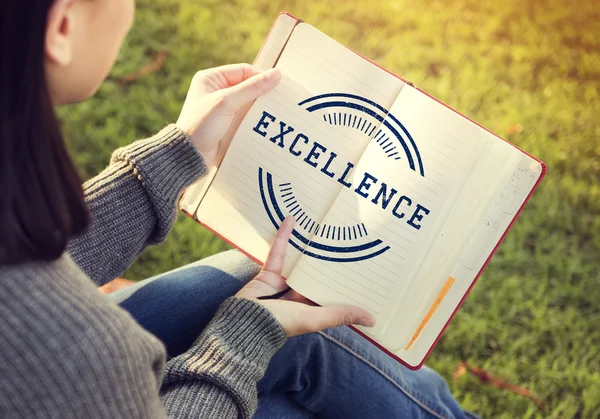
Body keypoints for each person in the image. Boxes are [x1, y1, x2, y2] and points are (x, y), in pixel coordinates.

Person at [0, 0, 475, 417]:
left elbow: (23, 259)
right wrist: (239, 341)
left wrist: (173, 158)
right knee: (296, 346)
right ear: (62, 27)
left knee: (260, 285)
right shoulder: (81, 349)